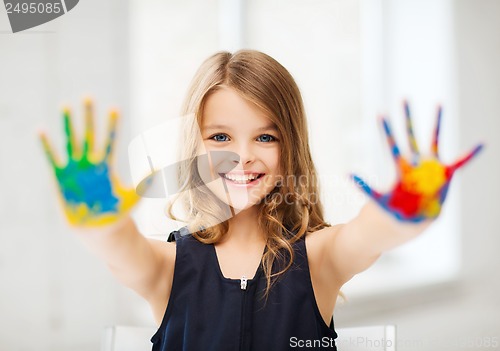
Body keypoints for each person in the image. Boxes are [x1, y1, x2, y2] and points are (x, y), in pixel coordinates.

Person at [39, 50, 483, 350]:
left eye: (265, 136)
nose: (244, 156)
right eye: (220, 137)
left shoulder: (320, 258)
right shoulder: (166, 267)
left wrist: (405, 210)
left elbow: (370, 233)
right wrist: (99, 219)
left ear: (290, 146)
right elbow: (117, 248)